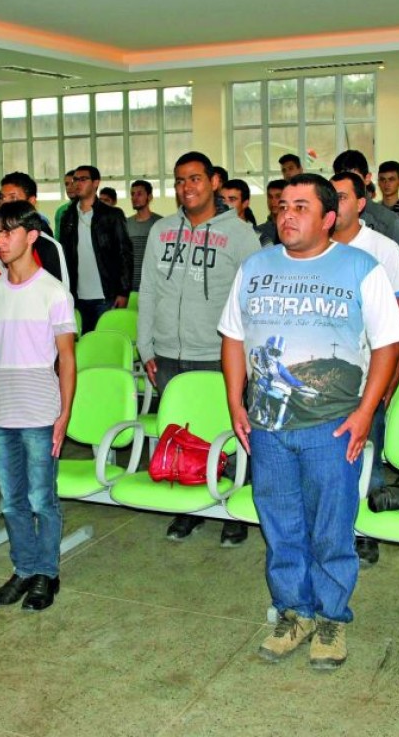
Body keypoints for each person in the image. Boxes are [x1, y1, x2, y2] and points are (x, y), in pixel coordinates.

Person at [219, 173, 399, 671]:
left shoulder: (362, 268)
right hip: (269, 426)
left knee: (329, 527)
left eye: (301, 207)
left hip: (332, 425)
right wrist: (236, 402)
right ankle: (293, 611)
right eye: (281, 206)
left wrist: (366, 412)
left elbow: (390, 344)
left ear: (329, 218)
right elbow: (233, 338)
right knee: (281, 524)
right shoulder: (255, 267)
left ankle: (331, 618)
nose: (287, 215)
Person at [138, 152, 261, 547]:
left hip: (217, 351)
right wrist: (146, 345)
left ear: (212, 183)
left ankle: (233, 510)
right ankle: (189, 508)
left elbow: (251, 299)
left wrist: (246, 356)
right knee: (182, 434)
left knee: (227, 432)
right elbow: (149, 290)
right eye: (179, 181)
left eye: (194, 179)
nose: (186, 187)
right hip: (168, 352)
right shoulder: (161, 232)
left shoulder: (240, 234)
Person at [0, 201, 77, 613]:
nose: (0, 241)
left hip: (39, 411)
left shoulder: (53, 291)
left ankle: (46, 574)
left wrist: (64, 414)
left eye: (8, 233)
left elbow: (67, 358)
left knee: (41, 499)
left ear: (31, 236)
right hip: (2, 412)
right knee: (11, 501)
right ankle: (23, 568)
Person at [329, 171, 399, 567]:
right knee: (329, 459)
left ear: (361, 203)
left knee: (368, 456)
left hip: (367, 377)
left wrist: (389, 381)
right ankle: (334, 529)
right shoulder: (316, 248)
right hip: (326, 378)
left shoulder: (383, 249)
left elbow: (397, 328)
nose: (335, 203)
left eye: (342, 197)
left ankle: (366, 532)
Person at [59, 164, 132, 332]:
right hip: (77, 297)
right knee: (83, 347)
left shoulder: (112, 215)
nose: (77, 183)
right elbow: (64, 257)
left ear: (96, 183)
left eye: (83, 179)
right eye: (75, 180)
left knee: (105, 345)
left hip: (106, 296)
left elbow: (124, 254)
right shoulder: (67, 217)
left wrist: (123, 292)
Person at [331, 150, 399, 269]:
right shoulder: (329, 219)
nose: (347, 184)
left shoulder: (390, 222)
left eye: (353, 177)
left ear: (367, 178)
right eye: (341, 178)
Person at [0, 173, 68, 289]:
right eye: (2, 198)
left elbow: (60, 290)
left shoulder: (48, 247)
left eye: (13, 198)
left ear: (31, 201)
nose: (5, 204)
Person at [126, 179, 161, 291]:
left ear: (149, 197)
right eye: (132, 194)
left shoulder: (161, 224)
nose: (135, 197)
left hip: (154, 286)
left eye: (139, 194)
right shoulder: (126, 224)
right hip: (130, 286)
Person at [255, 179, 285, 247]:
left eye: (278, 196)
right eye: (270, 197)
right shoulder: (259, 231)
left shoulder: (296, 229)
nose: (273, 201)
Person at [54, 169, 78, 235]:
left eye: (73, 184)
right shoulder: (61, 211)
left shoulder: (92, 209)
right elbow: (58, 237)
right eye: (67, 184)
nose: (69, 187)